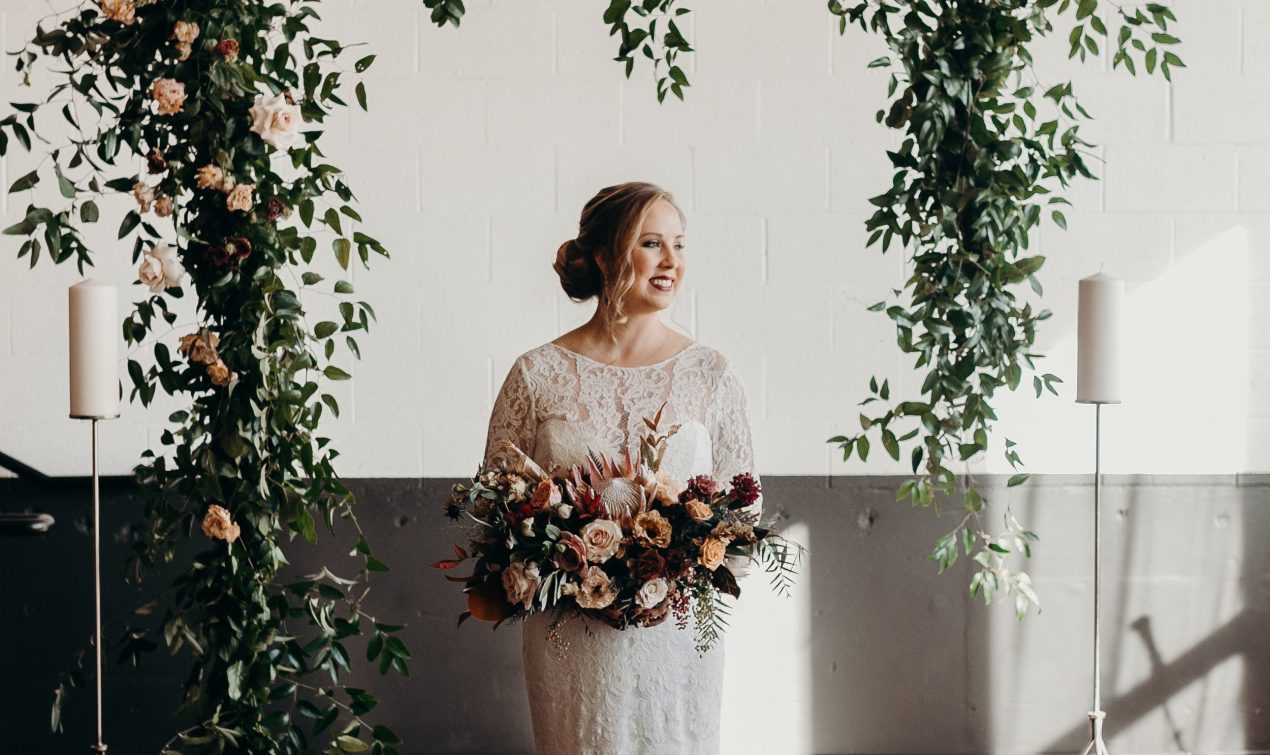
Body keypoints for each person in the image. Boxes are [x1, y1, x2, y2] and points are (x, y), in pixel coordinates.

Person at [482, 181, 759, 754]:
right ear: (607, 256)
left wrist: (674, 565)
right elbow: (494, 507)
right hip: (569, 635)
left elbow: (743, 518)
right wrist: (566, 560)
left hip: (678, 634)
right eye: (651, 243)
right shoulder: (536, 374)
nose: (671, 262)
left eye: (678, 245)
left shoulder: (710, 374)